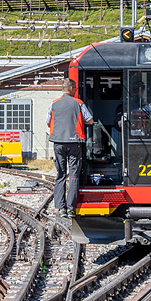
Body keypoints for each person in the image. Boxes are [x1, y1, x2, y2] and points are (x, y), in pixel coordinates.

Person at [47, 78, 94, 218]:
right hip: (74, 143)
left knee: (60, 175)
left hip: (58, 143)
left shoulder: (53, 103)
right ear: (72, 88)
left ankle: (60, 209)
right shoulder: (78, 103)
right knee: (73, 175)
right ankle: (71, 208)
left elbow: (48, 121)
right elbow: (90, 120)